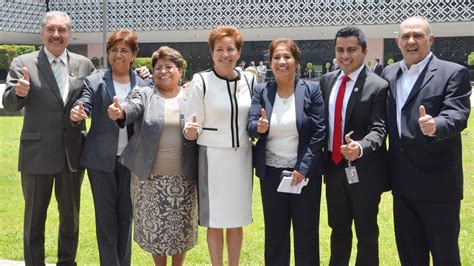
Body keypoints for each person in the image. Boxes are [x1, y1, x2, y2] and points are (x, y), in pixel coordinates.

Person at [2, 11, 95, 265]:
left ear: (70, 34)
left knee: (70, 217)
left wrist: (142, 77)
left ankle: (67, 262)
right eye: (51, 30)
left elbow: (97, 97)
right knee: (34, 218)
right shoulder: (24, 63)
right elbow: (9, 104)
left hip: (72, 153)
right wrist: (18, 93)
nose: (56, 35)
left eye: (62, 30)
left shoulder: (84, 65)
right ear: (42, 33)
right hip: (36, 153)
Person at [383, 16, 471, 266]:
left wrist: (436, 125)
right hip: (402, 185)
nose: (411, 41)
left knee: (445, 256)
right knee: (410, 256)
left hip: (438, 186)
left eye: (418, 36)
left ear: (430, 40)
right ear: (397, 41)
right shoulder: (389, 73)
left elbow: (458, 114)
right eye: (405, 36)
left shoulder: (452, 73)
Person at [108, 46, 199, 266]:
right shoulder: (146, 93)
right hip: (148, 179)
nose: (163, 71)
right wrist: (121, 113)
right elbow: (133, 106)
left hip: (184, 178)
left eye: (169, 66)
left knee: (181, 230)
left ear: (179, 70)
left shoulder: (191, 96)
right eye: (158, 67)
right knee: (154, 232)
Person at [69, 29, 151, 265]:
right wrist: (78, 112)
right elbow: (84, 101)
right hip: (100, 161)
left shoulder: (144, 82)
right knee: (105, 219)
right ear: (108, 54)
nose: (118, 55)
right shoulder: (95, 81)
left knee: (126, 217)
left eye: (124, 50)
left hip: (132, 161)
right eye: (114, 50)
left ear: (134, 54)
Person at [248, 38, 326, 265]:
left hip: (304, 174)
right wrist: (258, 127)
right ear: (270, 62)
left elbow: (319, 132)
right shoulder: (261, 90)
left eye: (287, 57)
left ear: (297, 61)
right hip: (272, 174)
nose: (282, 61)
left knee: (306, 232)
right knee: (275, 234)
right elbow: (251, 124)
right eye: (276, 57)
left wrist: (302, 168)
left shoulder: (312, 89)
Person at [183, 25, 255, 266]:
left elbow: (254, 117)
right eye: (220, 49)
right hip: (212, 157)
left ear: (239, 52)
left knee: (236, 218)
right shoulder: (201, 80)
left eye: (230, 49)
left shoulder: (250, 79)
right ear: (212, 53)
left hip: (242, 158)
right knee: (214, 220)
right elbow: (191, 122)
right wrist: (190, 131)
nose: (226, 54)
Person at [319, 26, 389, 266]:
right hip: (334, 169)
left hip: (365, 172)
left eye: (351, 49)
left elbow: (379, 130)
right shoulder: (326, 81)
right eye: (340, 50)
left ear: (365, 51)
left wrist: (359, 147)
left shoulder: (378, 86)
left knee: (366, 232)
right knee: (338, 229)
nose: (345, 55)